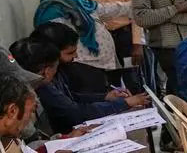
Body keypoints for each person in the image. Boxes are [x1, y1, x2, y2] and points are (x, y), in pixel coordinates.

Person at [11, 35, 146, 134]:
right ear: (46, 72)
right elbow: (75, 112)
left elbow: (72, 99)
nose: (74, 57)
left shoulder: (46, 80)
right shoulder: (43, 87)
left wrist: (106, 97)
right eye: (70, 53)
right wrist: (124, 103)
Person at [34, 0, 120, 97]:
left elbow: (105, 9)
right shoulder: (55, 9)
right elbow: (59, 48)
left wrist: (134, 7)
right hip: (79, 69)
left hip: (95, 67)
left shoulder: (77, 3)